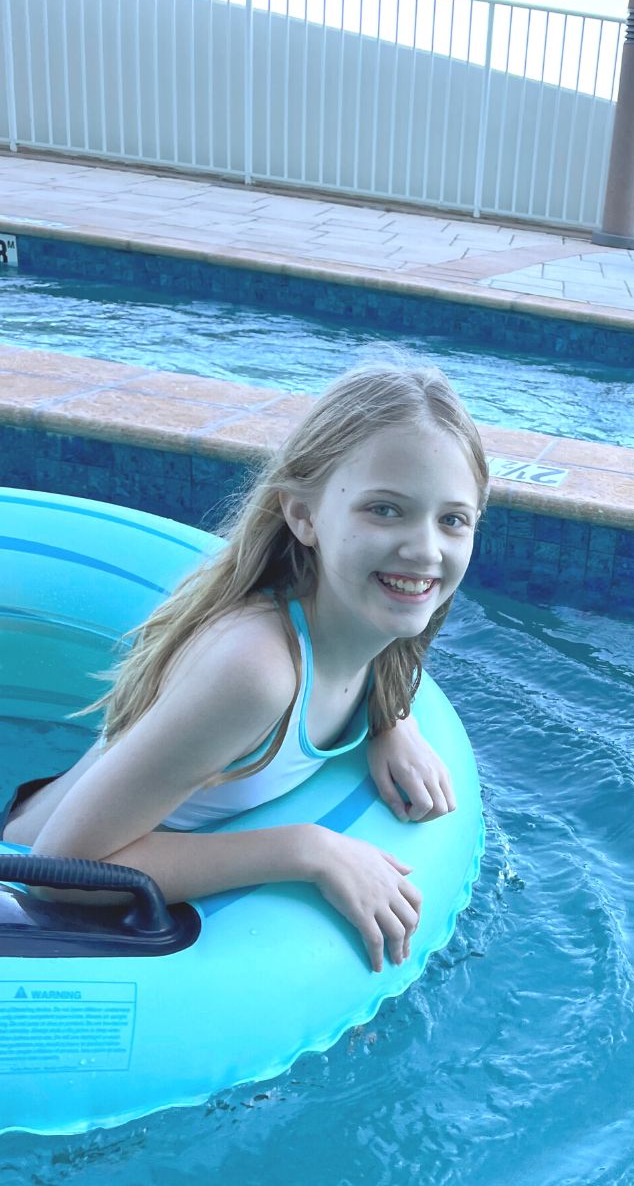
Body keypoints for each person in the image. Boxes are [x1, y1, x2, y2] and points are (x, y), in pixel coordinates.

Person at [3, 360, 488, 973]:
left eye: (452, 519)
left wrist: (393, 721)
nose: (424, 549)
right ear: (304, 516)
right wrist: (305, 849)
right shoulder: (257, 669)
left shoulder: (375, 615)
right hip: (21, 880)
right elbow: (61, 872)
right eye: (384, 510)